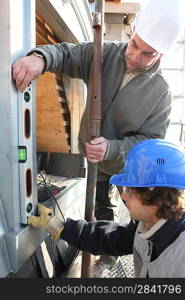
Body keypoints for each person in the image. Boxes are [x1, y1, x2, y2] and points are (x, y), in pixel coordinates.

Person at [12, 1, 183, 222]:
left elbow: (151, 141)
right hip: (93, 160)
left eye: (148, 54)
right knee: (100, 205)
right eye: (133, 45)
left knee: (131, 214)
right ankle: (104, 247)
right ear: (133, 32)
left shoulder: (161, 92)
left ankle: (121, 251)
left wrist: (111, 148)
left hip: (125, 167)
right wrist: (40, 58)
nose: (134, 56)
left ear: (162, 55)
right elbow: (65, 54)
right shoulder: (104, 53)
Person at [28, 139, 185, 277]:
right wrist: (59, 227)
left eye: (129, 190)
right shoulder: (146, 227)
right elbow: (110, 237)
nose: (123, 196)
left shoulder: (180, 253)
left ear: (156, 195)